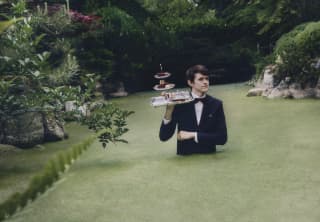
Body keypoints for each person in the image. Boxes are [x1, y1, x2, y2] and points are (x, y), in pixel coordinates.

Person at [159, 64, 227, 155]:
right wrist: (169, 110)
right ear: (190, 83)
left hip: (210, 160)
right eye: (201, 79)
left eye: (207, 78)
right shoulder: (179, 103)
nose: (205, 82)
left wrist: (193, 135)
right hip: (184, 161)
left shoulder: (216, 104)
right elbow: (164, 137)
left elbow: (222, 138)